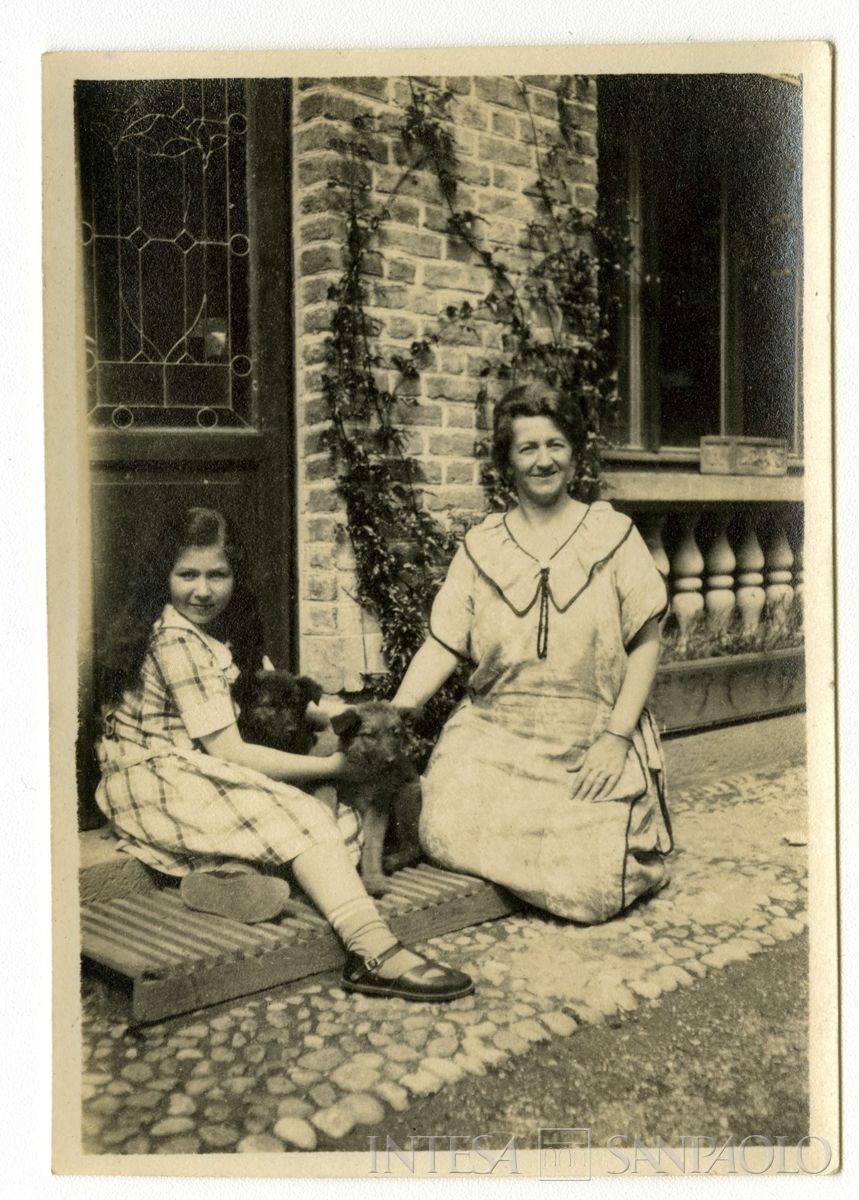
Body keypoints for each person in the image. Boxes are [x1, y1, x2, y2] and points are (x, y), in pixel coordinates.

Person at [95, 506, 473, 1002]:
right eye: (187, 574)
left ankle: (227, 881)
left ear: (236, 576)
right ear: (163, 576)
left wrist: (365, 714)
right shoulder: (175, 642)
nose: (202, 589)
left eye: (218, 574)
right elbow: (232, 752)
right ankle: (373, 951)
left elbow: (308, 705)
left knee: (345, 828)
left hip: (200, 772)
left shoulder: (224, 634)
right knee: (307, 814)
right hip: (159, 779)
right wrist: (331, 765)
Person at [393, 383, 674, 923]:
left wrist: (616, 739)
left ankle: (580, 846)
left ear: (574, 456)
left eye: (556, 445)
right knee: (438, 823)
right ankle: (534, 852)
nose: (543, 460)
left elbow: (647, 643)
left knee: (592, 887)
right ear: (508, 461)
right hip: (495, 735)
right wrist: (397, 712)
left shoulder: (613, 535)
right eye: (528, 448)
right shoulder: (482, 545)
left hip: (591, 737)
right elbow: (443, 643)